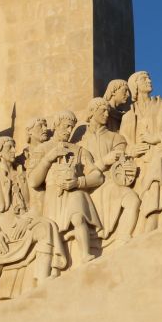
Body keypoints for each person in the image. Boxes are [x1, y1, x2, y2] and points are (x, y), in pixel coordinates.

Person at [0, 136, 66, 304]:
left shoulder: (22, 176)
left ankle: (42, 278)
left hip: (24, 221)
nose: (13, 151)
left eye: (13, 147)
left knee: (46, 227)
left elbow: (35, 202)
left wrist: (28, 218)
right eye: (9, 148)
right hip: (3, 227)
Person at [28, 111, 104, 263]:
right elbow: (33, 181)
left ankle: (85, 254)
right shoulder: (42, 149)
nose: (69, 131)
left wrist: (79, 182)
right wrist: (48, 158)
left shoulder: (80, 151)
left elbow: (98, 176)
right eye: (66, 126)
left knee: (78, 216)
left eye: (72, 127)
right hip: (53, 196)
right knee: (53, 232)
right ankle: (55, 266)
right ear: (56, 125)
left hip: (75, 190)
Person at [120, 71, 162, 229]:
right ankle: (150, 223)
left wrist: (156, 138)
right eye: (144, 79)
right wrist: (132, 149)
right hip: (139, 164)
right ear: (135, 86)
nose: (149, 80)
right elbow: (123, 144)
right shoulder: (128, 117)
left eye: (149, 77)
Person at [78, 98, 139, 243]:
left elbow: (123, 167)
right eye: (103, 111)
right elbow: (81, 171)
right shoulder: (81, 142)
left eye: (108, 111)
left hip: (111, 183)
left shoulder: (116, 138)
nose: (106, 114)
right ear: (92, 112)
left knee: (133, 200)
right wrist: (104, 161)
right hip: (89, 186)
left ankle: (123, 236)